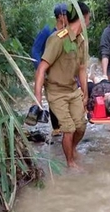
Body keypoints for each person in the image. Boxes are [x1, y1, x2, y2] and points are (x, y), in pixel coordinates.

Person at [33, 1, 90, 168]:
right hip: (56, 91)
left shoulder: (81, 40)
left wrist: (85, 94)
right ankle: (70, 163)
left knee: (81, 126)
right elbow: (42, 68)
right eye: (88, 18)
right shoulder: (57, 39)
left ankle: (71, 150)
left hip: (73, 90)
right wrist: (38, 98)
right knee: (69, 128)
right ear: (83, 18)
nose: (89, 22)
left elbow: (81, 69)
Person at [31, 3, 68, 136]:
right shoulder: (48, 30)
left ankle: (66, 124)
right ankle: (56, 128)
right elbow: (35, 50)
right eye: (66, 15)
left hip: (63, 70)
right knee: (52, 97)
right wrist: (41, 69)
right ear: (60, 16)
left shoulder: (67, 30)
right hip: (48, 69)